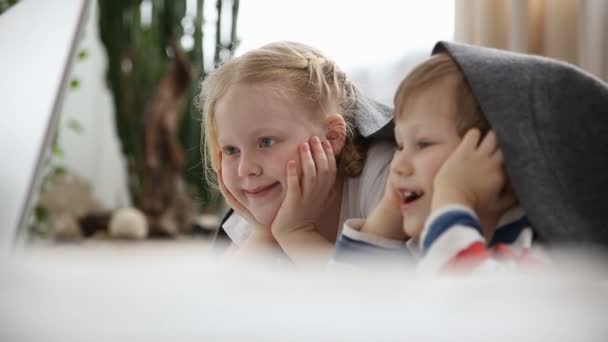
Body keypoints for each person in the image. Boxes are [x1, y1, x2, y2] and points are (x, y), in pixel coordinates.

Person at [334, 50, 547, 275]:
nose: (397, 166)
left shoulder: (533, 257)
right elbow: (346, 294)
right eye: (400, 146)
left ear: (498, 153)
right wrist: (388, 215)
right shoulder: (426, 245)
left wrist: (453, 195)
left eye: (424, 144)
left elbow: (457, 294)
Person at [197, 41, 400, 269]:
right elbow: (224, 293)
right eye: (231, 150)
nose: (245, 169)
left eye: (266, 142)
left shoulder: (381, 174)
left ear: (331, 137)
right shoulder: (265, 199)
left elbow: (370, 292)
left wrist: (294, 233)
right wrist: (264, 233)